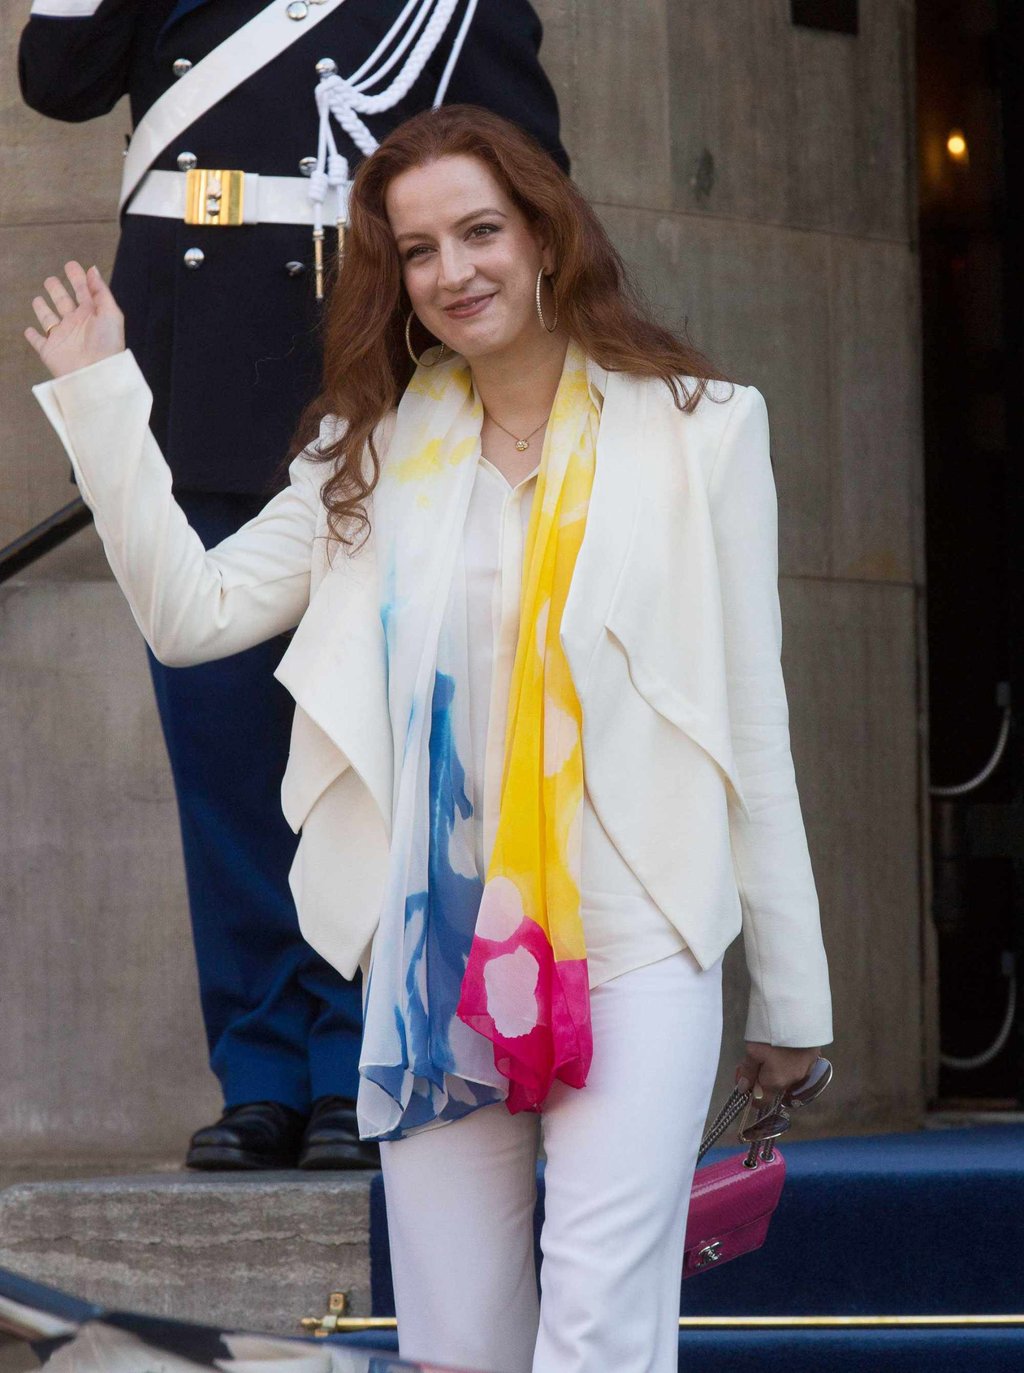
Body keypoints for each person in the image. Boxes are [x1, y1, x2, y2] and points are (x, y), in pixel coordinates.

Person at [25, 104, 834, 1373]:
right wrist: (102, 395)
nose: (454, 271)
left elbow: (752, 716)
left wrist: (793, 988)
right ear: (391, 278)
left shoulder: (700, 426)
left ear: (544, 235)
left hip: (636, 939)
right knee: (457, 1347)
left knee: (600, 1335)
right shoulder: (373, 449)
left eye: (479, 232)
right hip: (433, 955)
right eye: (417, 250)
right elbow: (193, 616)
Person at [19, 0, 567, 1171]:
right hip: (196, 385)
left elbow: (531, 193)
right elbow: (55, 75)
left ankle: (350, 1052)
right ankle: (260, 1064)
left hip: (367, 394)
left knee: (358, 755)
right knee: (222, 754)